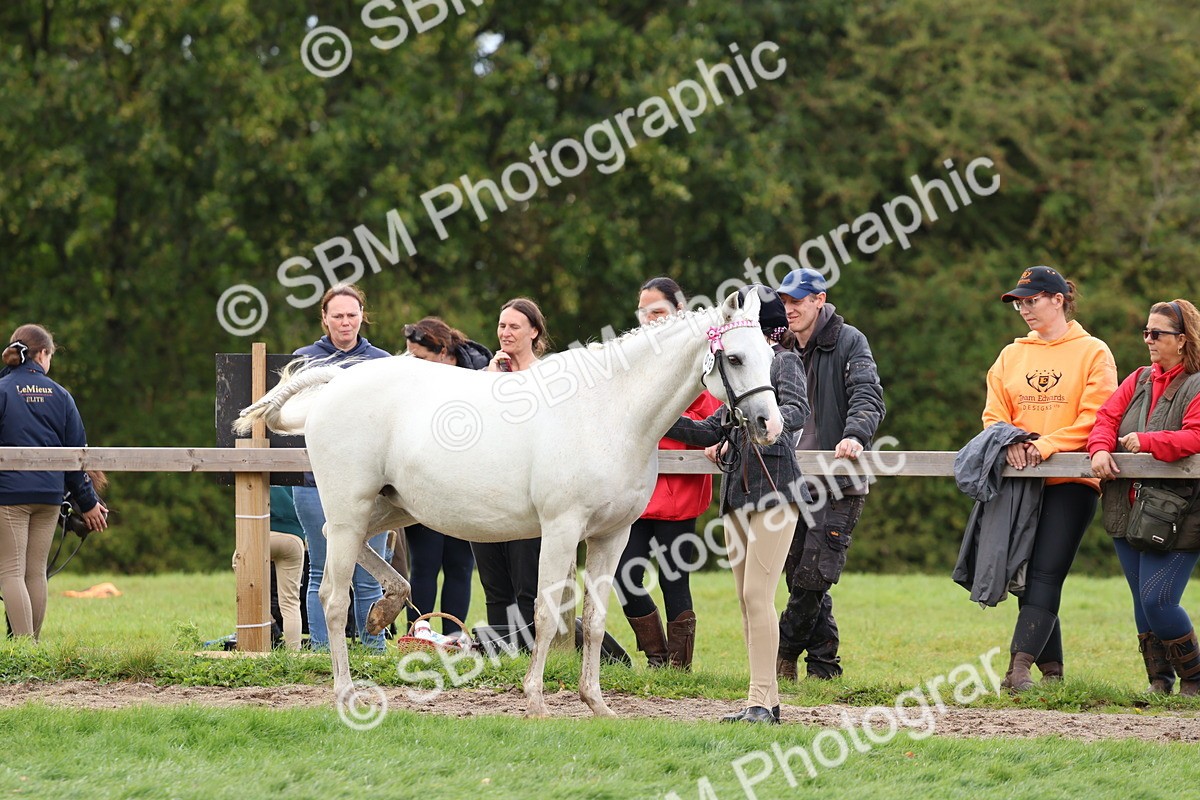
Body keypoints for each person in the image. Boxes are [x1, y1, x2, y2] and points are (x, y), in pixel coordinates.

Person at [667, 285, 810, 724]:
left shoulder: (783, 361)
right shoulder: (739, 374)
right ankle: (761, 701)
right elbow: (708, 429)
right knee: (747, 601)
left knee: (757, 595)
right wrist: (658, 414)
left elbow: (797, 412)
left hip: (775, 488)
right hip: (736, 495)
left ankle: (762, 701)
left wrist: (755, 433)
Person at [980, 266, 1117, 690]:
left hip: (1072, 481)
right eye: (1019, 302)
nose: (1024, 309)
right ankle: (1052, 672)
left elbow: (1097, 416)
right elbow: (994, 414)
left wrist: (1047, 444)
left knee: (1045, 572)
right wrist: (1010, 442)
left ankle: (1017, 669)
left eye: (1032, 300)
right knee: (1024, 569)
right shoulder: (1010, 355)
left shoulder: (1093, 352)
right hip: (1021, 480)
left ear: (1058, 299)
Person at [774, 268, 886, 681]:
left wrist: (855, 435)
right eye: (785, 301)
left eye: (798, 301)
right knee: (800, 578)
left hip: (839, 481)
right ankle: (824, 667)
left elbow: (868, 395)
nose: (790, 309)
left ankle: (782, 656)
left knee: (813, 574)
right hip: (791, 481)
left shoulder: (850, 340)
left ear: (820, 299)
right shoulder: (778, 347)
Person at [1089, 299, 1200, 694]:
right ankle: (1159, 682)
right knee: (1141, 601)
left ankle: (1195, 678)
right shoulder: (1137, 379)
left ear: (1183, 339)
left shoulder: (1197, 383)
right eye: (1146, 332)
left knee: (1158, 599)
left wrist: (1148, 441)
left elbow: (1196, 436)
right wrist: (1100, 449)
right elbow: (1105, 418)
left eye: (1158, 334)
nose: (1148, 340)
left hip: (1180, 511)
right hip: (1127, 507)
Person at [615, 277, 722, 670]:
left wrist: (654, 420)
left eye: (657, 311)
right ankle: (658, 656)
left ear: (679, 311)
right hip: (634, 491)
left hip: (679, 490)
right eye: (643, 312)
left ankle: (678, 668)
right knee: (623, 577)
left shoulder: (696, 356)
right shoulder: (631, 359)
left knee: (674, 581)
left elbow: (711, 418)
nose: (649, 319)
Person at [290, 283, 392, 652]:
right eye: (338, 316)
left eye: (352, 315)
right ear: (324, 318)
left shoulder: (382, 362)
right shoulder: (305, 361)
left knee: (369, 574)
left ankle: (374, 651)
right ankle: (322, 650)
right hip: (313, 481)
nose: (345, 322)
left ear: (362, 316)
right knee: (324, 570)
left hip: (374, 485)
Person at [0, 325, 108, 639]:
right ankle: (32, 643)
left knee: (11, 571)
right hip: (49, 496)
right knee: (36, 572)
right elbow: (78, 458)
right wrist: (87, 503)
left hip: (10, 496)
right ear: (43, 354)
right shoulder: (61, 396)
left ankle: (22, 647)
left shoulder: (3, 391)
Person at [401, 317, 492, 635]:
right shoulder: (411, 377)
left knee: (460, 564)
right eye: (410, 355)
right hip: (424, 477)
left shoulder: (482, 370)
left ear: (441, 351)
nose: (413, 363)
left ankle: (453, 637)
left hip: (468, 480)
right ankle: (418, 633)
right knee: (425, 561)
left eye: (420, 357)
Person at [474, 298, 553, 639]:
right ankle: (504, 653)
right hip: (485, 490)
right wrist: (491, 382)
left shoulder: (548, 376)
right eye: (502, 325)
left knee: (526, 584)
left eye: (514, 326)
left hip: (529, 494)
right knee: (493, 584)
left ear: (534, 332)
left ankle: (528, 651)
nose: (505, 333)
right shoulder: (482, 376)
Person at [269, 486, 306, 650]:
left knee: (238, 561)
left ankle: (267, 620)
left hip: (264, 531)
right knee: (291, 601)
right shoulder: (293, 475)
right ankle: (294, 655)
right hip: (294, 537)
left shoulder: (257, 469)